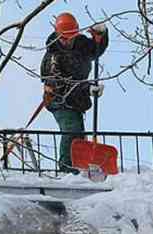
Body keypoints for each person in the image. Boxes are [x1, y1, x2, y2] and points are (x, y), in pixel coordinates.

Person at [41, 12, 109, 173]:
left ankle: (78, 167)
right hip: (59, 101)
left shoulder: (81, 45)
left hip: (77, 101)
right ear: (58, 35)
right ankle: (66, 168)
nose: (67, 41)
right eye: (64, 38)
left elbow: (96, 50)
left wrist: (101, 35)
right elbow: (60, 85)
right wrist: (88, 87)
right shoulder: (52, 56)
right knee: (71, 129)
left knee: (78, 134)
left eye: (70, 37)